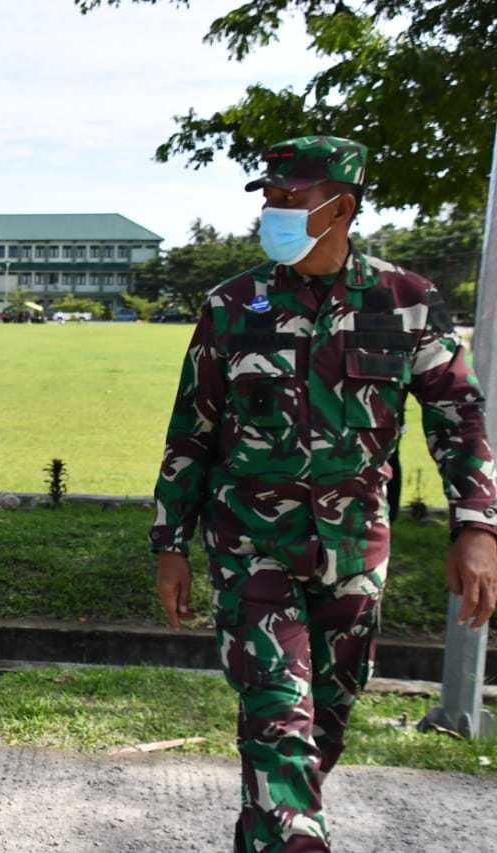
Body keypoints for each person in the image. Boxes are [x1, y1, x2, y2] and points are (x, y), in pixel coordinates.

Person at [150, 135, 497, 852]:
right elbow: (192, 429)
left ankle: (269, 831)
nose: (273, 210)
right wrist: (170, 543)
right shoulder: (232, 304)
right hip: (251, 542)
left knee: (325, 721)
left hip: (354, 546)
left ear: (341, 205)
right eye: (269, 197)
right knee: (278, 715)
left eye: (291, 197)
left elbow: (458, 415)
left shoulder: (406, 301)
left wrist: (477, 524)